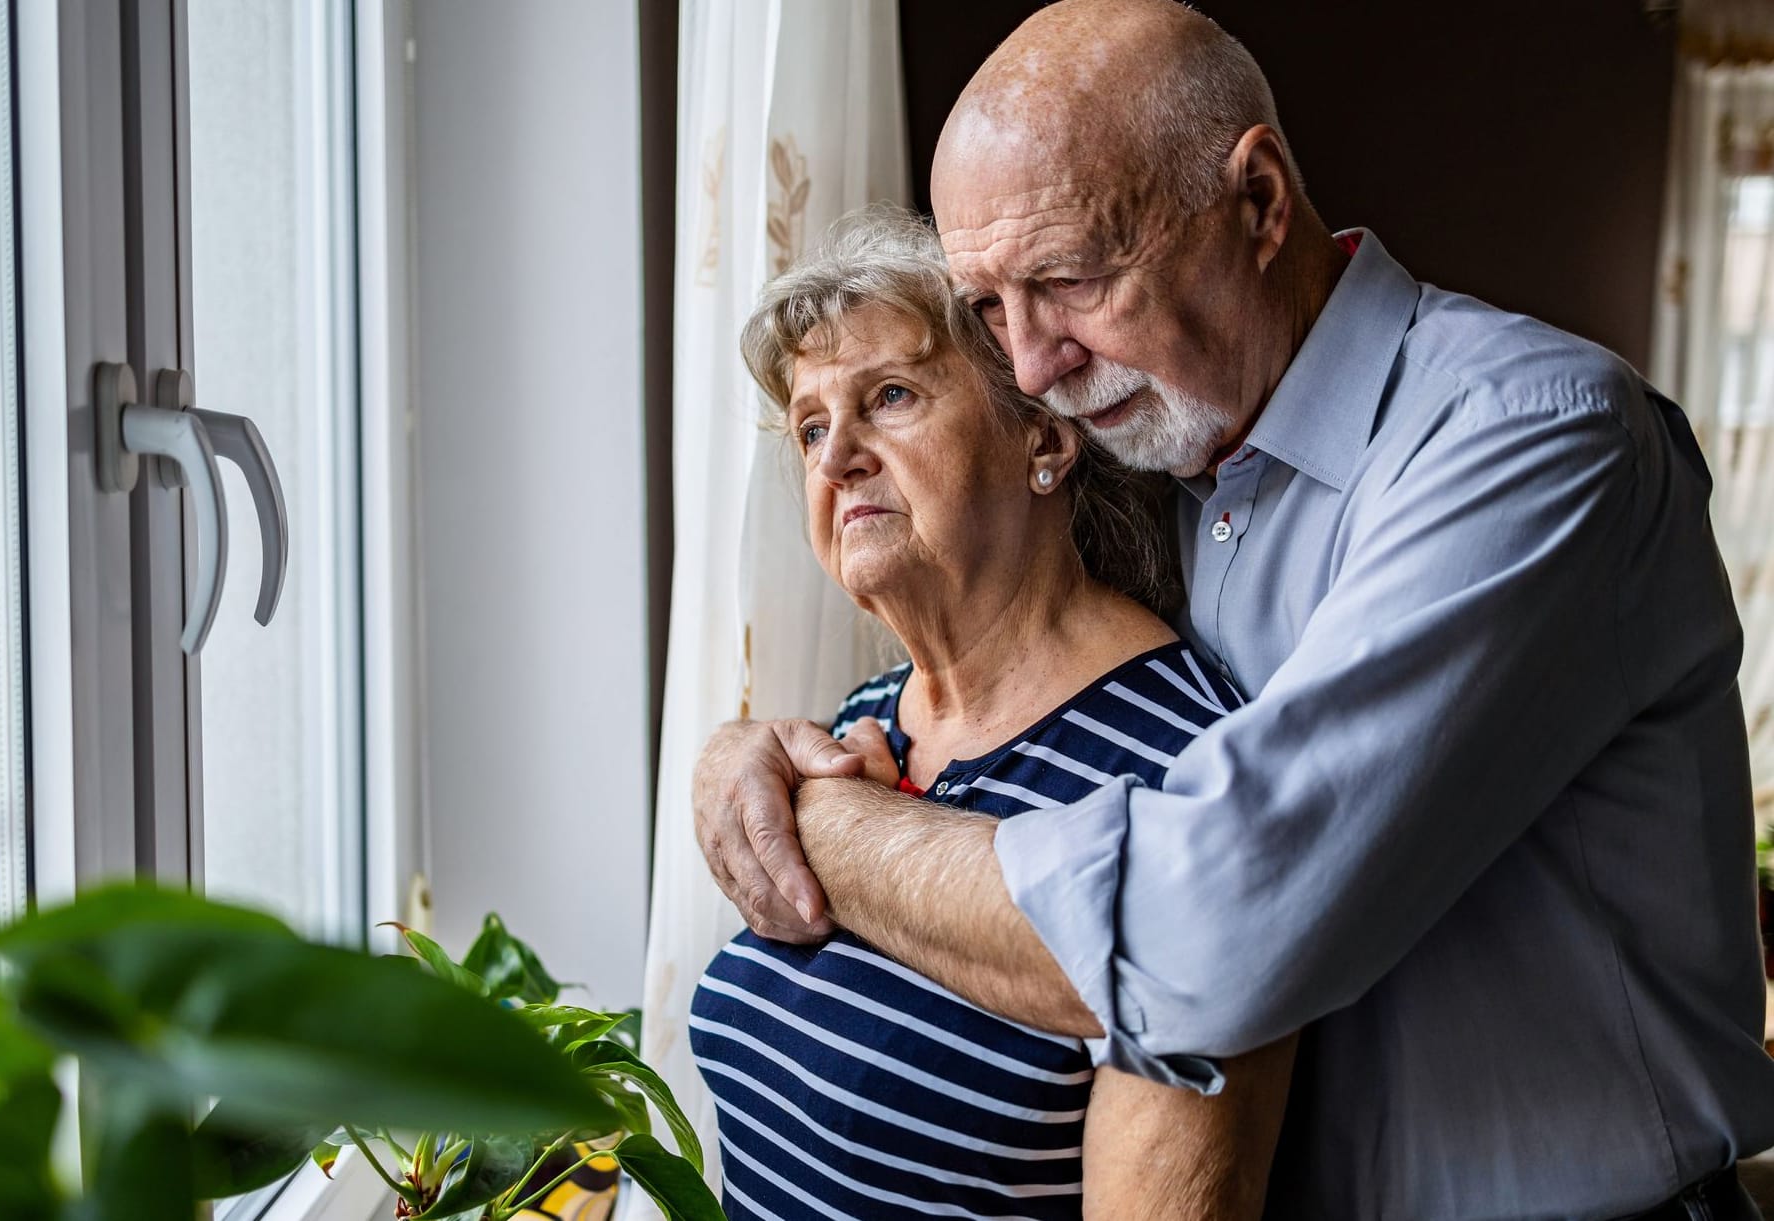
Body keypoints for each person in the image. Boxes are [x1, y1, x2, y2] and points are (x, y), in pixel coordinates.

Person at [691, 1, 1774, 1217]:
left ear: (1257, 203)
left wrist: (815, 823)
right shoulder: (1176, 462)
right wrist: (746, 752)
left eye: (1068, 277)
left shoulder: (1525, 437)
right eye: (989, 307)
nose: (1033, 363)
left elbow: (1208, 931)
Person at [689, 207, 1297, 1219]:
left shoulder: (1188, 768)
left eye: (887, 397)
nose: (834, 455)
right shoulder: (864, 722)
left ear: (1044, 440)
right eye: (807, 425)